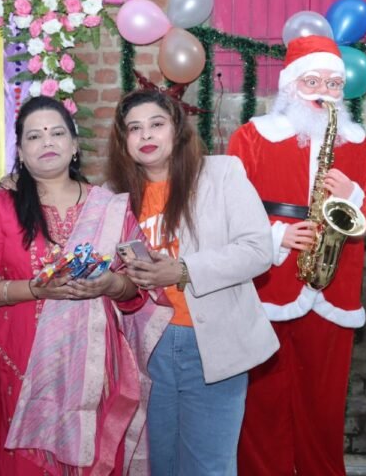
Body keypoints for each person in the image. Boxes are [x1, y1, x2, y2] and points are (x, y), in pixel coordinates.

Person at [0, 96, 172, 475]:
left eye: (57, 133)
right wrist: (35, 289)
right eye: (34, 136)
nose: (47, 142)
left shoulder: (108, 206)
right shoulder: (0, 207)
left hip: (94, 370)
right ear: (20, 152)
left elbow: (139, 287)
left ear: (74, 145)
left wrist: (111, 284)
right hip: (24, 366)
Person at [227, 35, 366, 475]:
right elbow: (230, 207)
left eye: (333, 84)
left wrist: (351, 194)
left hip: (335, 285)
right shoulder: (253, 137)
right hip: (269, 282)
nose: (323, 92)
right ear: (289, 84)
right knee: (262, 400)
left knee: (324, 402)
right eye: (312, 81)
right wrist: (276, 236)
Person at [107, 86, 280, 475]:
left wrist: (183, 269)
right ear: (123, 141)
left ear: (177, 129)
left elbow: (258, 250)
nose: (146, 135)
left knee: (208, 467)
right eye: (134, 128)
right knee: (155, 466)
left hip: (212, 343)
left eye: (156, 124)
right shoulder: (112, 196)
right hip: (143, 349)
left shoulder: (221, 173)